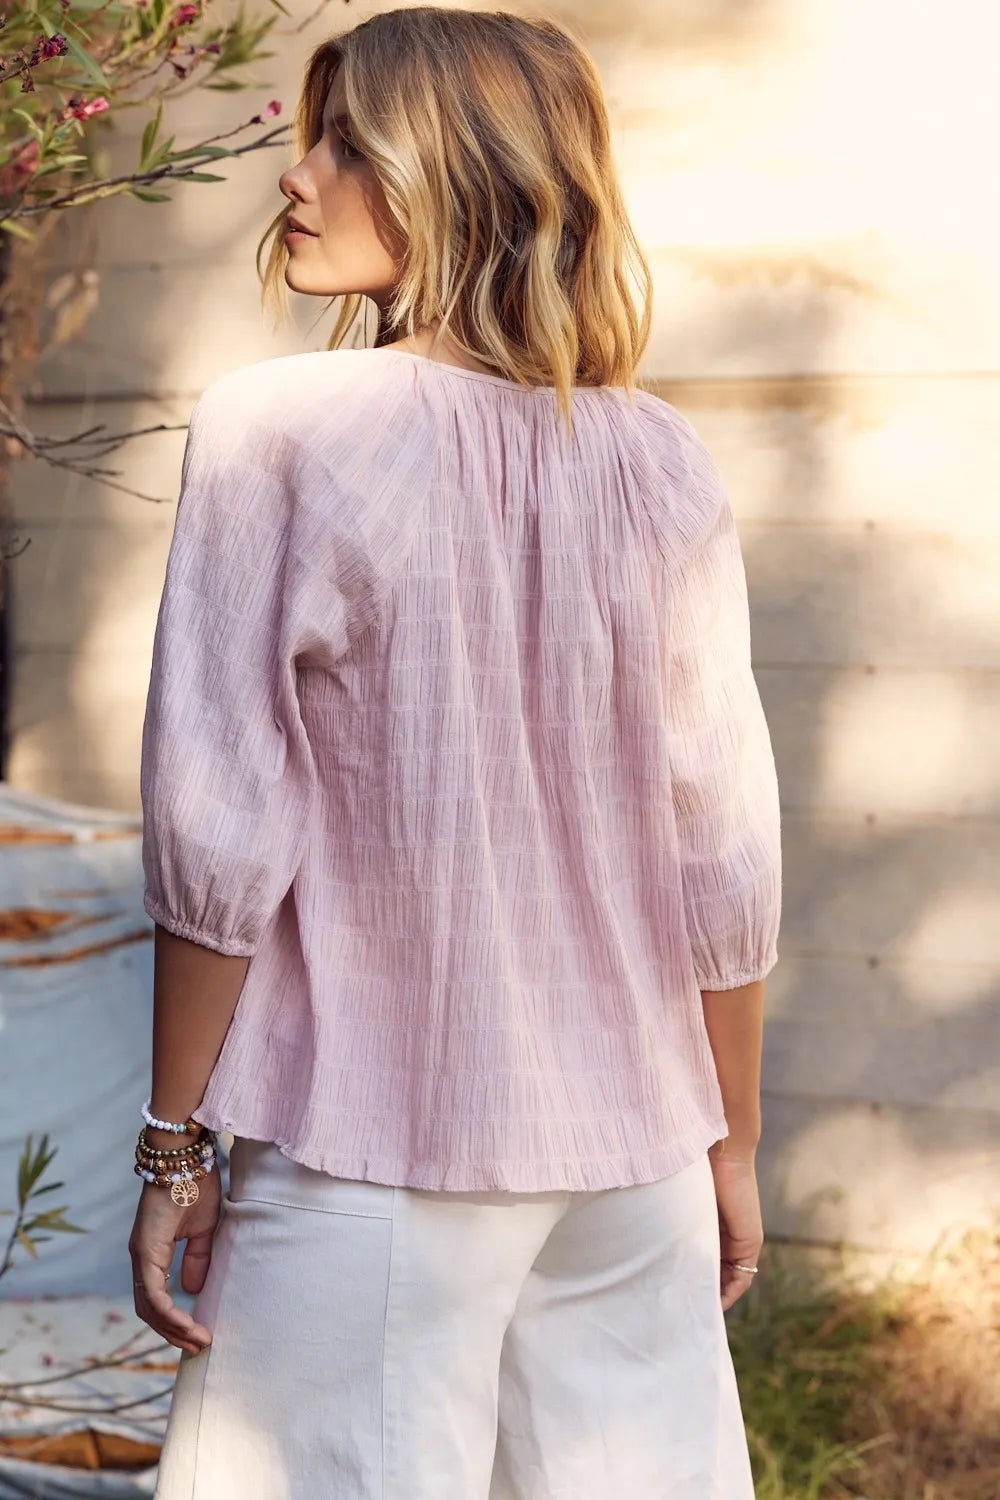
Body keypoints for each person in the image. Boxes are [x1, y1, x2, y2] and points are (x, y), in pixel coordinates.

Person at [129, 8, 782, 1498]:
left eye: (346, 143)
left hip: (375, 1147)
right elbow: (728, 854)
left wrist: (174, 1147)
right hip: (635, 1161)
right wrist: (733, 1147)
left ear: (454, 175)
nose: (296, 174)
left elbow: (221, 832)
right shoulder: (660, 457)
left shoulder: (280, 431)